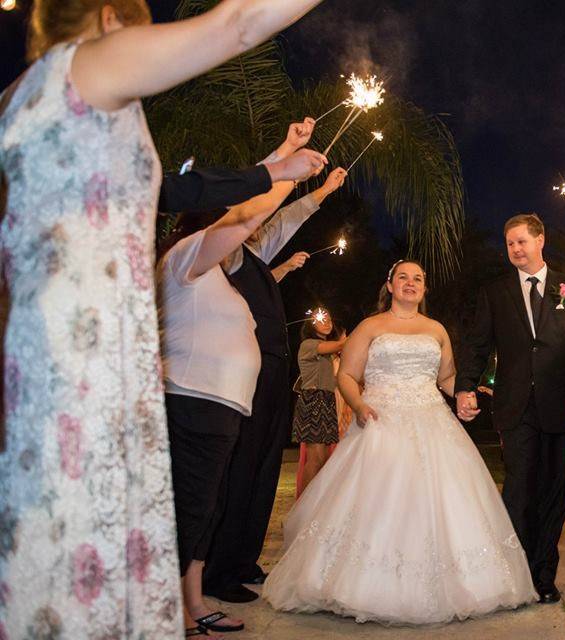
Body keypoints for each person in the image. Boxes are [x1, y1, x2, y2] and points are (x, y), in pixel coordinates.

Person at [0, 0, 327, 636]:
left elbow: (184, 193)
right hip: (71, 351)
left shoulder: (47, 103)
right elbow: (236, 22)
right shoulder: (84, 66)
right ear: (111, 17)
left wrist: (275, 170)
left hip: (101, 353)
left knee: (89, 533)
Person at [262, 260, 538, 623]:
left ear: (424, 288)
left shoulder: (436, 329)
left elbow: (448, 377)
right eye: (403, 277)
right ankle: (359, 585)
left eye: (418, 279)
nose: (411, 283)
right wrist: (359, 404)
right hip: (380, 421)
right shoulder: (370, 326)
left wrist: (466, 395)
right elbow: (346, 374)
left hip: (433, 423)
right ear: (389, 285)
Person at [158, 151, 323, 636]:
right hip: (193, 401)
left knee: (204, 509)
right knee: (189, 508)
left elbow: (245, 218)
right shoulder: (185, 258)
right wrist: (282, 171)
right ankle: (169, 611)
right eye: (227, 221)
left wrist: (283, 160)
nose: (242, 231)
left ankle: (193, 599)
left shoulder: (217, 279)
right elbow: (245, 215)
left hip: (221, 408)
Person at [203, 166, 348, 603]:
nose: (262, 225)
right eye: (250, 218)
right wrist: (287, 172)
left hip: (271, 376)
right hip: (245, 372)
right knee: (243, 465)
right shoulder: (226, 254)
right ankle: (219, 570)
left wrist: (323, 190)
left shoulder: (257, 259)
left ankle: (244, 560)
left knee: (265, 467)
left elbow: (285, 223)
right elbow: (277, 216)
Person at [454, 214, 565, 604]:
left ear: (540, 239)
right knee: (519, 489)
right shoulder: (496, 291)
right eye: (510, 244)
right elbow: (477, 344)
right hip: (515, 407)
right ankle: (515, 575)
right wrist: (465, 386)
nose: (515, 249)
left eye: (521, 241)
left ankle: (543, 575)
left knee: (554, 491)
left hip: (562, 407)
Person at [291, 311, 347, 490]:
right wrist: (345, 341)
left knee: (322, 459)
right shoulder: (309, 344)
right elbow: (340, 345)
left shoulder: (329, 352)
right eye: (321, 320)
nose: (327, 322)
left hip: (327, 401)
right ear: (310, 324)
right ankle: (304, 507)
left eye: (329, 319)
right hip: (313, 401)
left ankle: (313, 503)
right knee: (315, 458)